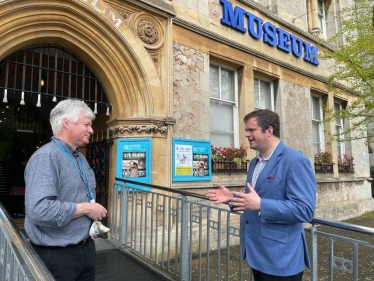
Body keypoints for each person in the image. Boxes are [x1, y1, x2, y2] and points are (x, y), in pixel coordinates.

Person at [207, 109, 316, 281]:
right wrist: (231, 198)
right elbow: (253, 200)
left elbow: (305, 210)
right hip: (256, 253)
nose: (246, 135)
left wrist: (261, 205)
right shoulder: (254, 163)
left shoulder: (295, 161)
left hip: (281, 259)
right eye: (246, 130)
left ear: (269, 131)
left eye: (251, 130)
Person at [24, 99, 107, 281]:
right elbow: (39, 210)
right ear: (66, 123)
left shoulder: (79, 158)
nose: (91, 130)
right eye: (86, 124)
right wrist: (86, 209)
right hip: (58, 256)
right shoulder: (46, 157)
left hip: (85, 248)